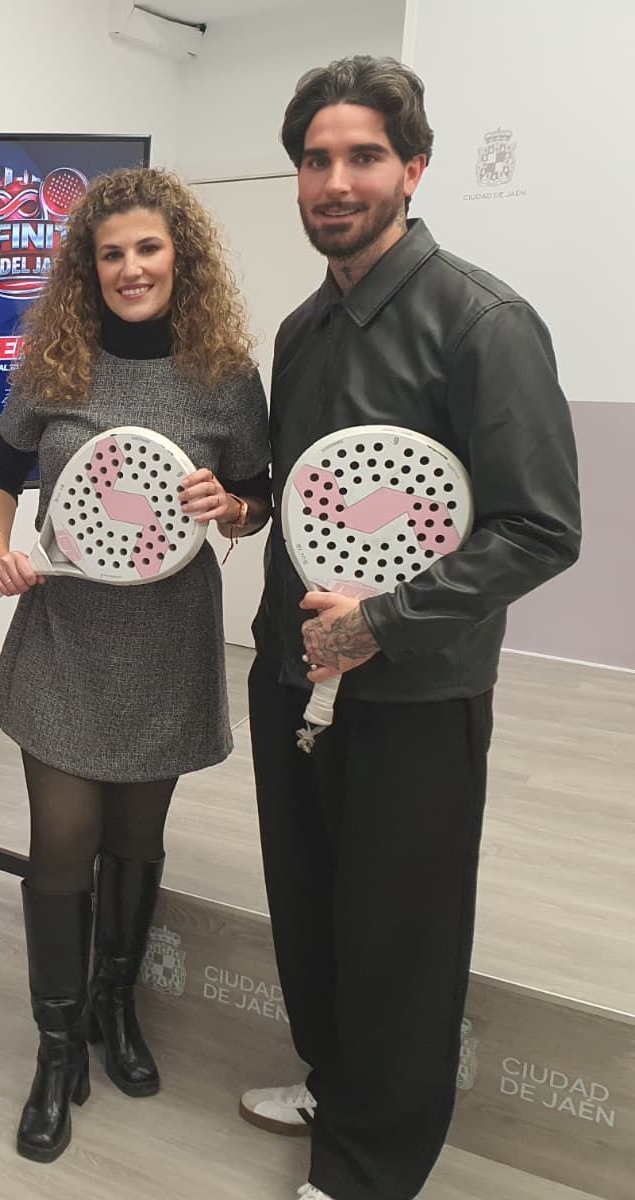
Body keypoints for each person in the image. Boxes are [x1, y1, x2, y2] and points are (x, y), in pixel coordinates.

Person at [238, 57, 580, 1200]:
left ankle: (373, 1166)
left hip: (414, 693)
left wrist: (382, 622)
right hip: (289, 672)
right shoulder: (299, 330)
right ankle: (339, 1084)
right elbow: (303, 493)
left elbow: (539, 527)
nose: (335, 181)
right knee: (313, 902)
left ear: (413, 167)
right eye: (316, 160)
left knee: (400, 931)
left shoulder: (483, 323)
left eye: (362, 156)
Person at [0, 167, 271, 1162]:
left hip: (167, 640)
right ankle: (56, 1051)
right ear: (87, 268)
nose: (131, 267)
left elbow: (256, 493)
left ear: (176, 254)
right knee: (62, 840)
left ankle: (114, 1007)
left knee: (137, 838)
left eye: (147, 248)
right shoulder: (55, 364)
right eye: (111, 254)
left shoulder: (222, 372)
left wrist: (230, 510)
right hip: (65, 638)